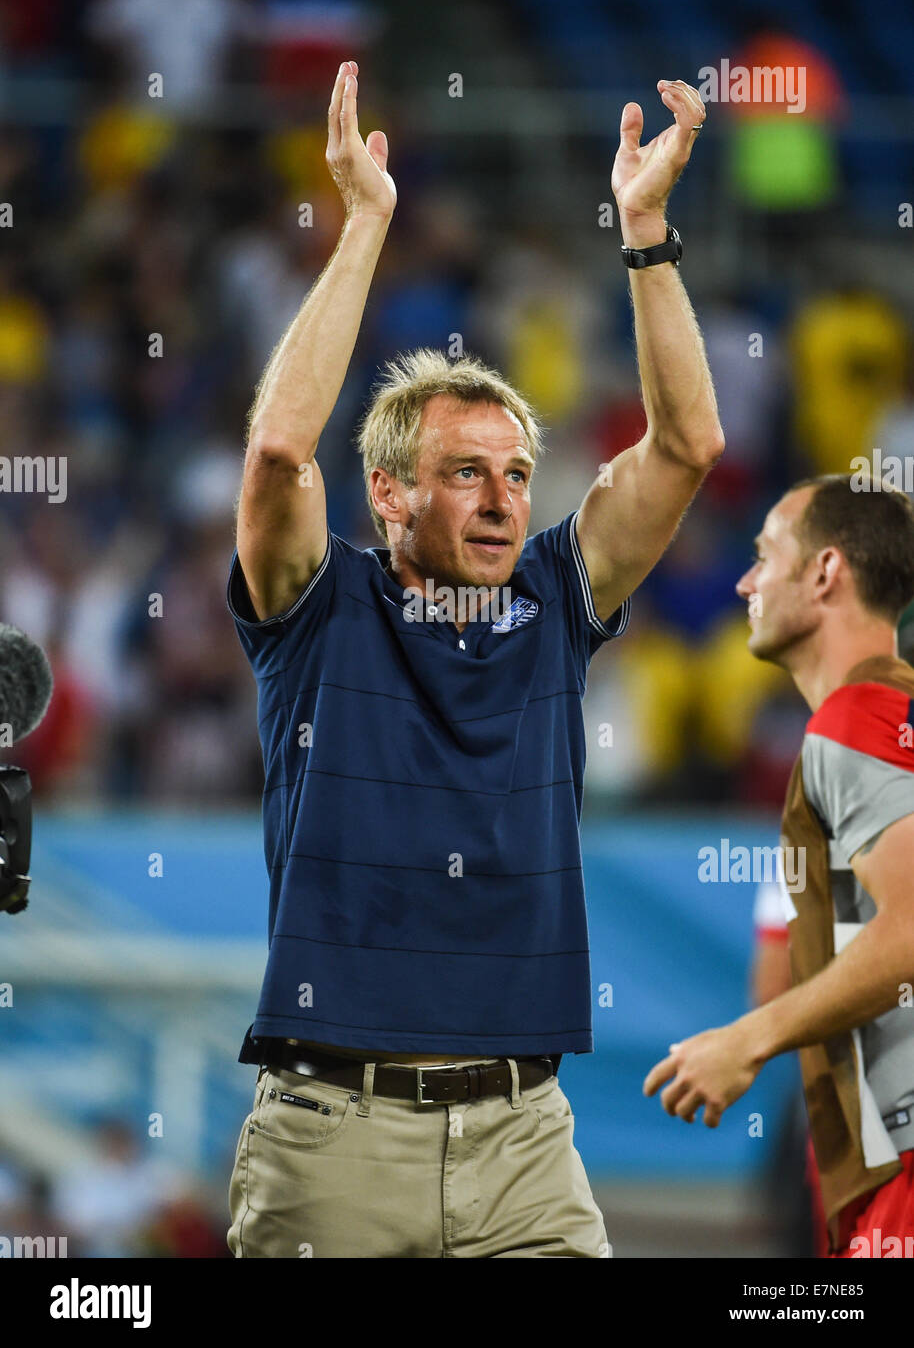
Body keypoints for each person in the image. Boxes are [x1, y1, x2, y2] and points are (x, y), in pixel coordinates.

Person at [226, 61, 721, 1258]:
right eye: (463, 473)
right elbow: (281, 450)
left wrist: (644, 238)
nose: (502, 501)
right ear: (387, 492)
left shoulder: (554, 594)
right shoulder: (319, 609)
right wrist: (364, 228)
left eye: (513, 474)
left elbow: (686, 446)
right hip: (333, 1136)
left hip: (523, 1141)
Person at [645, 475, 914, 1258]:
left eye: (764, 556)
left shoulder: (856, 719)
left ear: (825, 572)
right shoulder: (891, 715)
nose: (744, 580)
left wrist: (748, 1039)